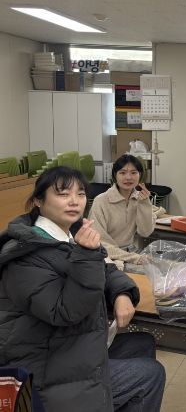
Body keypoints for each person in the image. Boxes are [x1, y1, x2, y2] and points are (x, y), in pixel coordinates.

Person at [0, 166, 165, 411]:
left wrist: (121, 293)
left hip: (68, 345)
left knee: (143, 343)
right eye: (63, 194)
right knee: (150, 374)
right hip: (47, 371)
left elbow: (106, 269)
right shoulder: (24, 254)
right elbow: (65, 311)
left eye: (80, 194)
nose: (74, 201)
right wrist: (87, 254)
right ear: (38, 201)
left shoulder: (67, 235)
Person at [89, 154, 156, 269]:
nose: (128, 177)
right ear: (115, 175)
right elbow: (99, 243)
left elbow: (145, 232)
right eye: (123, 173)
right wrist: (134, 258)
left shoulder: (139, 199)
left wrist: (145, 204)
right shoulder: (101, 201)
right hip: (106, 257)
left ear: (140, 175)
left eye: (134, 173)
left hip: (131, 254)